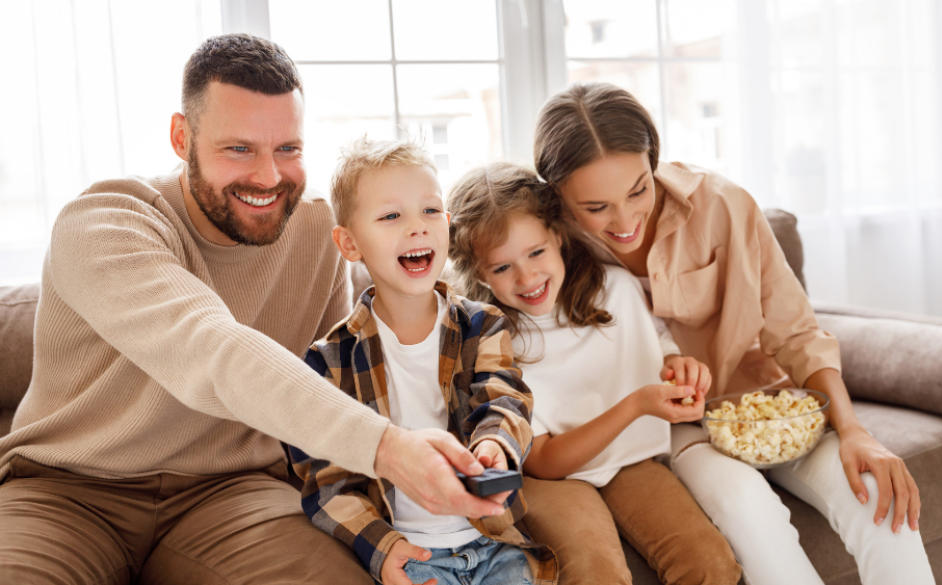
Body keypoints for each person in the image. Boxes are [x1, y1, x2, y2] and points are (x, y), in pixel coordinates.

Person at [0, 34, 507, 584]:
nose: (268, 177)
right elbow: (209, 347)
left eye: (287, 148)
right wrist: (388, 449)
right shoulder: (104, 221)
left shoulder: (316, 231)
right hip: (69, 491)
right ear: (181, 137)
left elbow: (331, 389)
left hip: (234, 493)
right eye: (238, 149)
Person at [529, 81, 936, 585]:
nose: (626, 218)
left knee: (874, 490)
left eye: (639, 189)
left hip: (761, 404)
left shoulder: (722, 206)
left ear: (653, 161)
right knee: (748, 508)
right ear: (559, 198)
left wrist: (854, 430)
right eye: (596, 207)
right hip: (671, 434)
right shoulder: (546, 254)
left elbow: (797, 332)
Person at [446, 162, 741, 585]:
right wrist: (638, 404)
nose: (527, 277)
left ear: (558, 237)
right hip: (551, 480)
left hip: (632, 463)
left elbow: (660, 349)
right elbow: (546, 462)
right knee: (595, 574)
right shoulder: (491, 340)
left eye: (536, 252)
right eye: (502, 267)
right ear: (478, 274)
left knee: (709, 563)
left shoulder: (618, 291)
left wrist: (680, 367)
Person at [291, 140, 557, 585]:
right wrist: (382, 545)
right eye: (392, 216)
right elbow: (325, 479)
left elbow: (504, 400)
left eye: (431, 211)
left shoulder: (483, 327)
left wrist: (495, 448)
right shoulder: (328, 362)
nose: (417, 228)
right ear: (349, 243)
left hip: (492, 543)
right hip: (411, 552)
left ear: (447, 227)